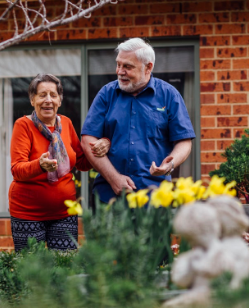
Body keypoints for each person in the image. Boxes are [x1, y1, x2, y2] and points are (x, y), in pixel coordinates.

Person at [81, 38, 196, 203]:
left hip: (155, 195)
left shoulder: (169, 95)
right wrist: (114, 178)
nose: (120, 71)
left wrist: (169, 165)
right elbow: (87, 140)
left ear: (148, 67)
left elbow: (184, 142)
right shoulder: (107, 94)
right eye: (118, 64)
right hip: (109, 195)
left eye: (127, 66)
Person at [9, 74, 110, 252]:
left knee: (65, 271)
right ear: (32, 100)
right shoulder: (23, 125)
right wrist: (40, 165)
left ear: (59, 100)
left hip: (64, 213)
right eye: (42, 95)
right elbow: (17, 170)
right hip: (28, 214)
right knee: (33, 273)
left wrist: (102, 145)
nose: (48, 100)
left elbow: (82, 163)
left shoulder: (66, 124)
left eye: (53, 95)